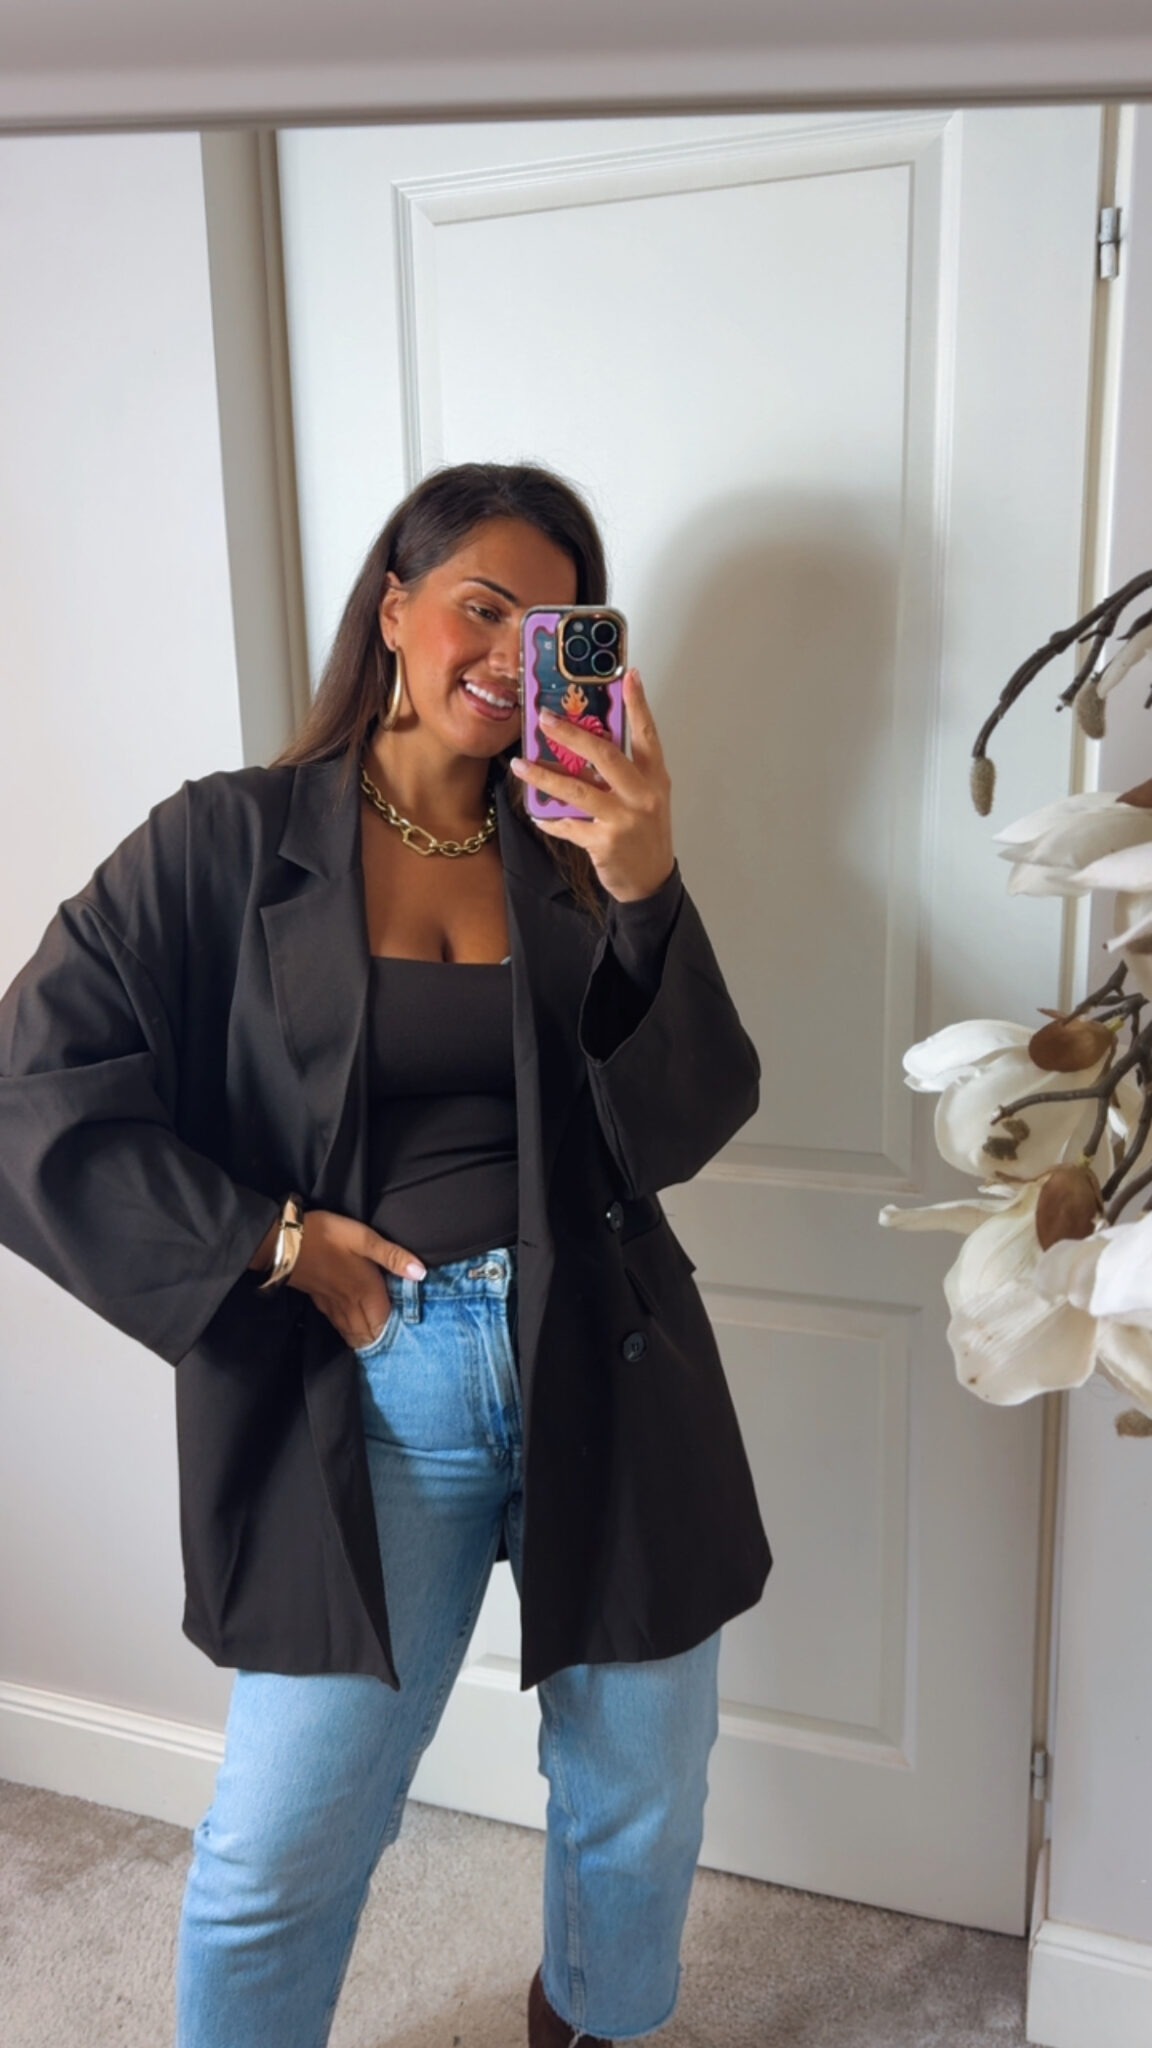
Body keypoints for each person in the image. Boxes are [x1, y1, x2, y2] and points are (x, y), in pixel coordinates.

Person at [0, 461, 771, 2047]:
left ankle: (591, 2023)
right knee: (281, 1844)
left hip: (604, 1353)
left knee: (640, 1794)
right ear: (397, 607)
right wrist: (268, 1242)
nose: (506, 651)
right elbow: (29, 1089)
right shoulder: (225, 843)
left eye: (550, 626)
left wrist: (647, 888)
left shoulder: (577, 849)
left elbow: (686, 1119)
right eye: (481, 605)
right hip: (366, 1385)